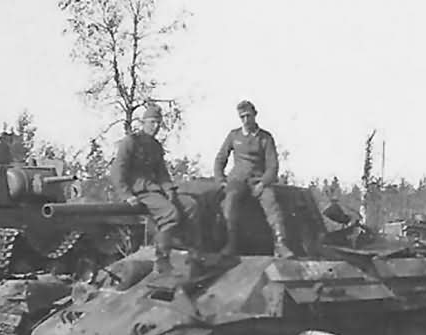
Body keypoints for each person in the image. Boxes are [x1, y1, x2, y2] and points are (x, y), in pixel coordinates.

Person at [110, 103, 195, 273]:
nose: (155, 127)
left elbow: (162, 173)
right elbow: (118, 170)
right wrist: (126, 194)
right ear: (143, 123)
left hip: (155, 190)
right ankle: (161, 258)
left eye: (158, 123)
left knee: (191, 205)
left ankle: (189, 250)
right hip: (139, 191)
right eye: (152, 122)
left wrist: (169, 190)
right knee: (170, 213)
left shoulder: (155, 146)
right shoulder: (131, 142)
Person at [213, 100, 294, 258]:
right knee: (230, 201)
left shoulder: (265, 138)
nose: (245, 120)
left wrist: (263, 183)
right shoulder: (234, 135)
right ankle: (231, 243)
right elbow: (220, 159)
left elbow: (273, 166)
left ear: (255, 115)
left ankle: (281, 244)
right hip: (237, 180)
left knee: (272, 203)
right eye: (242, 117)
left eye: (248, 116)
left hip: (257, 179)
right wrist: (220, 180)